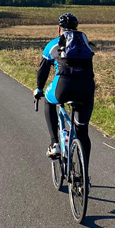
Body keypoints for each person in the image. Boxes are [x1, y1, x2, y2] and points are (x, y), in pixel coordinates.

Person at [33, 13, 95, 167]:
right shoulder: (84, 43)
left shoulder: (54, 43)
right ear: (76, 28)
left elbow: (42, 71)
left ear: (59, 28)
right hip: (86, 88)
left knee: (48, 101)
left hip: (63, 86)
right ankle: (84, 177)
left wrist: (38, 89)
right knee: (82, 131)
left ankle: (55, 143)